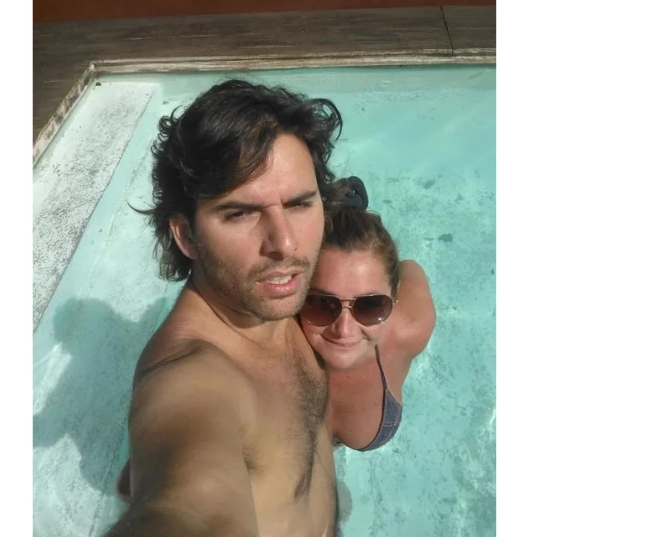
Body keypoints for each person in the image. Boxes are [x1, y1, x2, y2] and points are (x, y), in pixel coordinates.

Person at [106, 79, 343, 537]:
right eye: (240, 213)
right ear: (186, 236)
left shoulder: (287, 301)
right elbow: (189, 507)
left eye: (299, 204)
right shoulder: (192, 378)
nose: (285, 244)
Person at [299, 177, 436, 452]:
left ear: (394, 297)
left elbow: (410, 267)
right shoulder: (264, 339)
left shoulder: (414, 326)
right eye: (322, 303)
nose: (344, 330)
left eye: (370, 305)